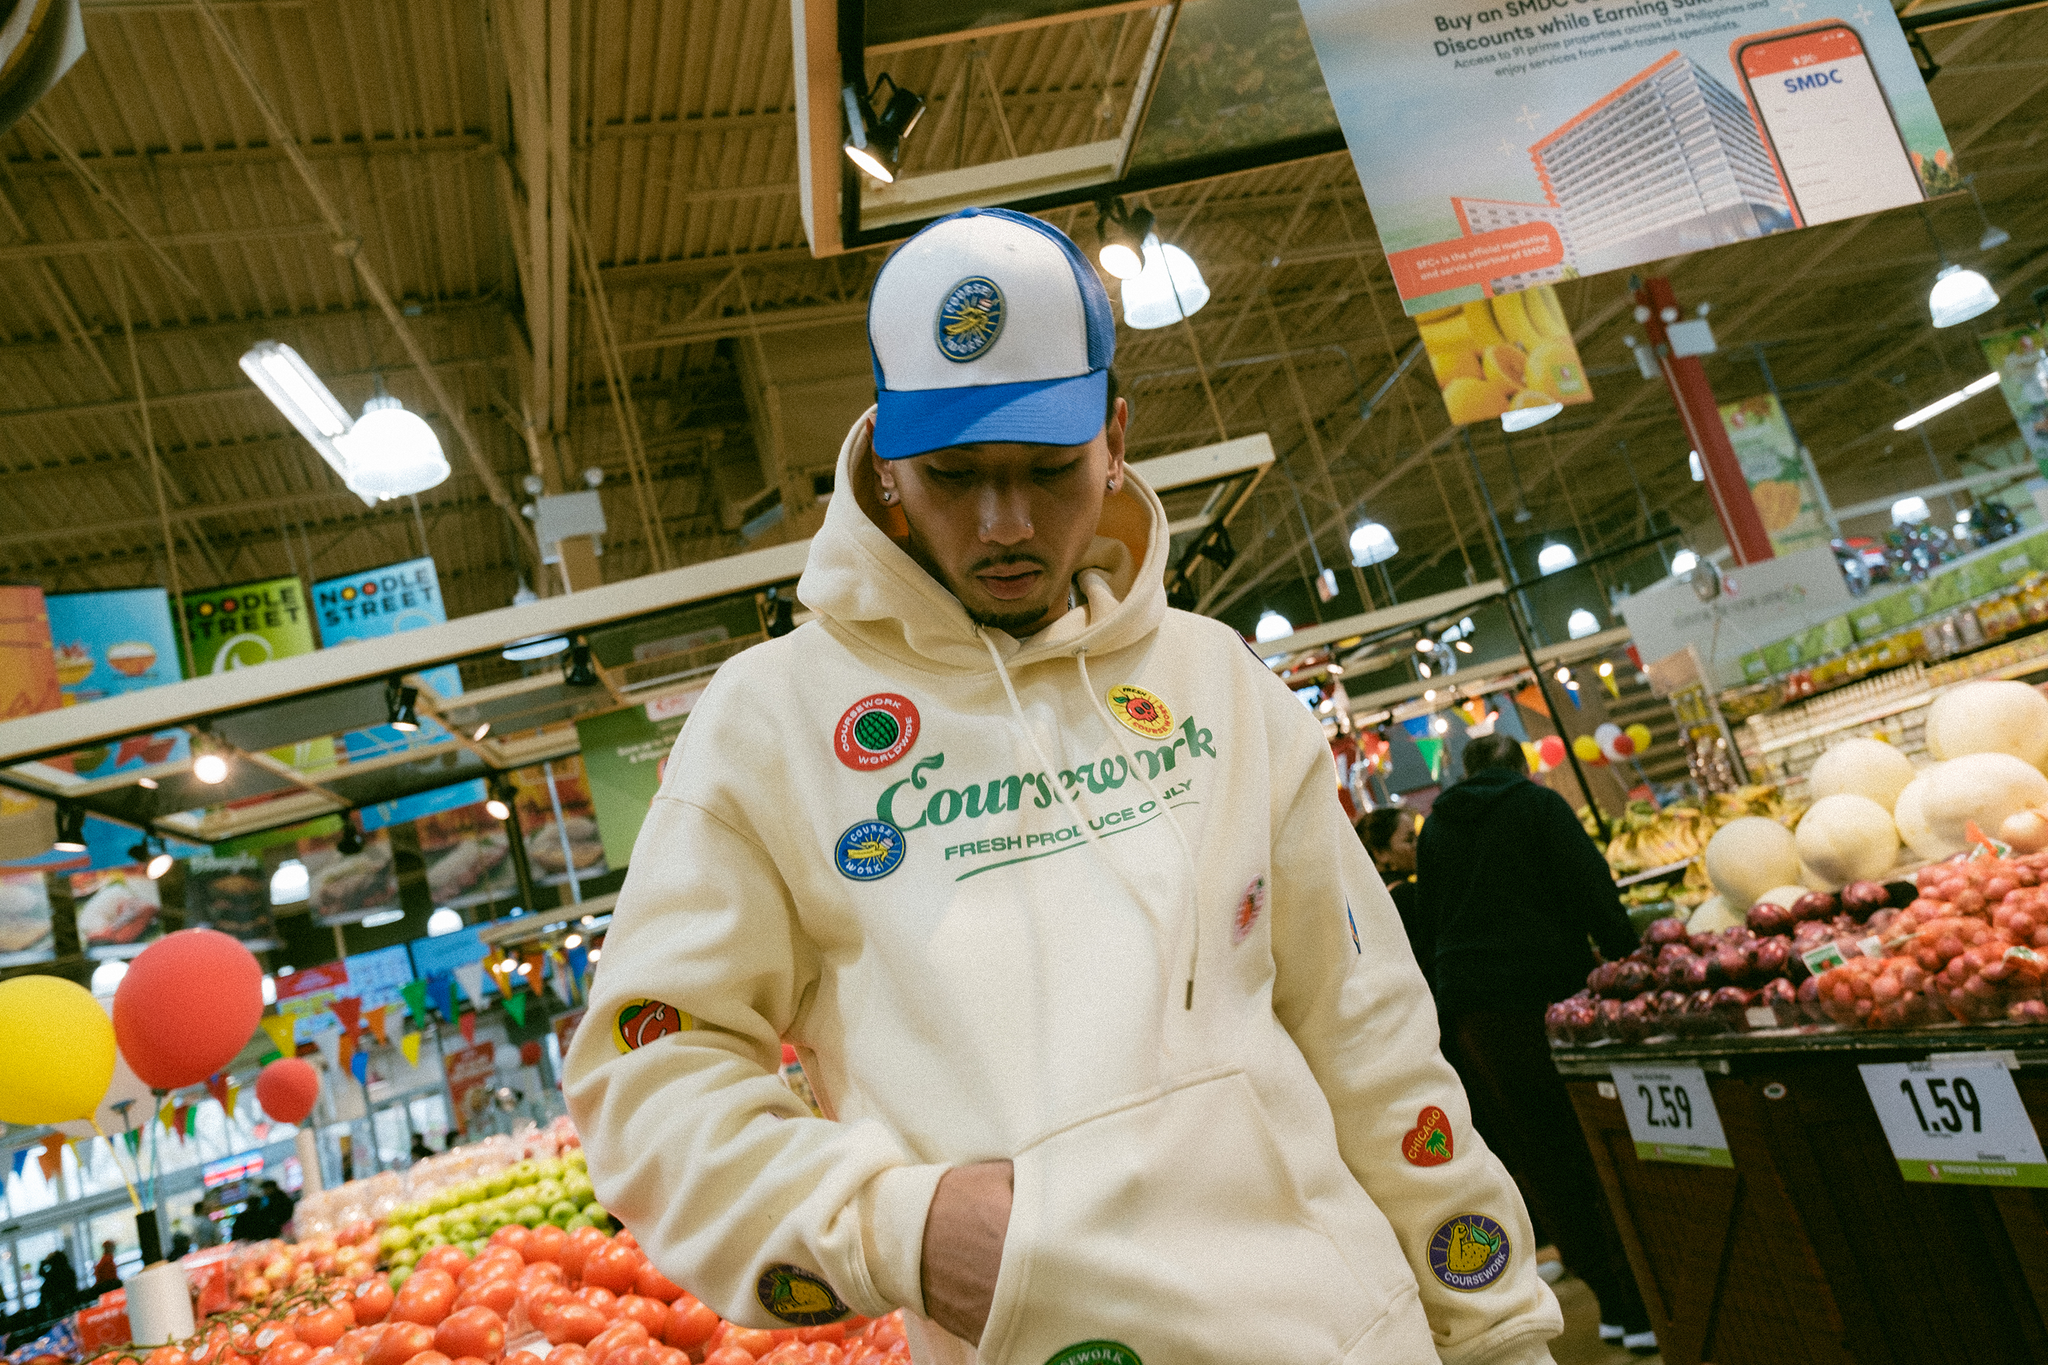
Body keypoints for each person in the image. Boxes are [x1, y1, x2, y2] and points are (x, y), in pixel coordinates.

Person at [566, 207, 1564, 1365]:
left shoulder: (1215, 681)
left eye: (1047, 473)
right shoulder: (769, 723)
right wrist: (896, 1225)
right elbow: (650, 1065)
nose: (1004, 525)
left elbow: (1366, 1033)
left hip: (1348, 1338)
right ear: (886, 462)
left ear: (1115, 436)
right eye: (952, 477)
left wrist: (1493, 1324)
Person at [1413, 732, 1653, 1354]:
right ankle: (1645, 1296)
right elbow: (1591, 886)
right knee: (1599, 1140)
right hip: (1550, 995)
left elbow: (1434, 919)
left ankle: (1612, 1302)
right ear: (1521, 767)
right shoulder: (1539, 806)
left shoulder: (1436, 830)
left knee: (1541, 1156)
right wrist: (1633, 963)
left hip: (1476, 1014)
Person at [1360, 806, 1431, 983]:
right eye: (1409, 840)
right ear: (1381, 853)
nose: (1418, 844)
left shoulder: (1368, 894)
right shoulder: (1404, 894)